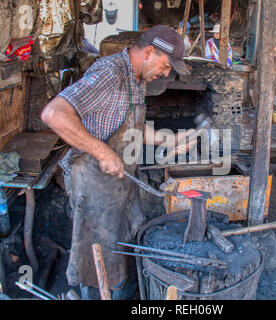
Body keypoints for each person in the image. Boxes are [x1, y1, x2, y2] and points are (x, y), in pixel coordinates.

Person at [41, 25, 193, 299]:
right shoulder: (109, 75)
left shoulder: (136, 78)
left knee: (123, 240)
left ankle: (122, 289)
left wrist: (166, 140)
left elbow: (130, 127)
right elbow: (54, 114)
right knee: (96, 252)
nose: (166, 73)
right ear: (149, 52)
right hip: (94, 181)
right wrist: (102, 152)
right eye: (167, 65)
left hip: (119, 182)